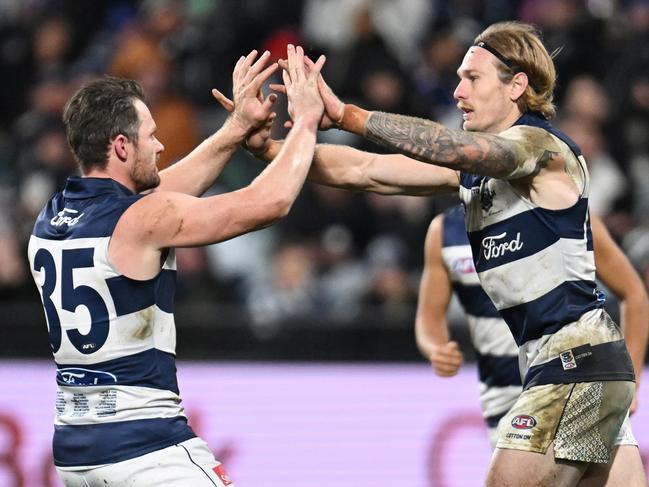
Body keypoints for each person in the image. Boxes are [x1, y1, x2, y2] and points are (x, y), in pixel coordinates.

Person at [226, 21, 648, 487]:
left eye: (473, 78)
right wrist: (269, 147)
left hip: (573, 364)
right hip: (585, 367)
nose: (458, 90)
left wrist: (346, 114)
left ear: (517, 86)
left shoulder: (542, 148)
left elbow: (450, 147)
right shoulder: (474, 175)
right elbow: (364, 169)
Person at [27, 45, 325, 487]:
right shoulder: (143, 219)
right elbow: (270, 202)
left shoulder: (52, 215)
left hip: (75, 449)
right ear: (122, 146)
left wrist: (236, 129)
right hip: (145, 447)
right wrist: (306, 121)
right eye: (151, 135)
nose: (161, 144)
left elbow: (166, 191)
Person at [415, 204, 649, 452]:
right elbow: (428, 318)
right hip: (504, 399)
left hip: (573, 383)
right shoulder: (445, 232)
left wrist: (631, 384)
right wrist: (435, 348)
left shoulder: (565, 209)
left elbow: (634, 295)